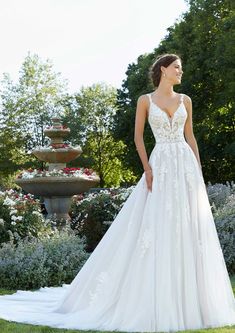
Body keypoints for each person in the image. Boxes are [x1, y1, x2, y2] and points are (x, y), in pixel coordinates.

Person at [0, 53, 234, 332]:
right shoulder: (145, 100)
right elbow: (138, 137)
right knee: (157, 224)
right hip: (159, 165)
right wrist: (147, 169)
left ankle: (191, 300)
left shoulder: (186, 100)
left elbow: (190, 136)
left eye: (180, 68)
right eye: (177, 68)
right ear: (163, 70)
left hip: (184, 167)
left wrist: (198, 169)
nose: (181, 72)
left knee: (187, 226)